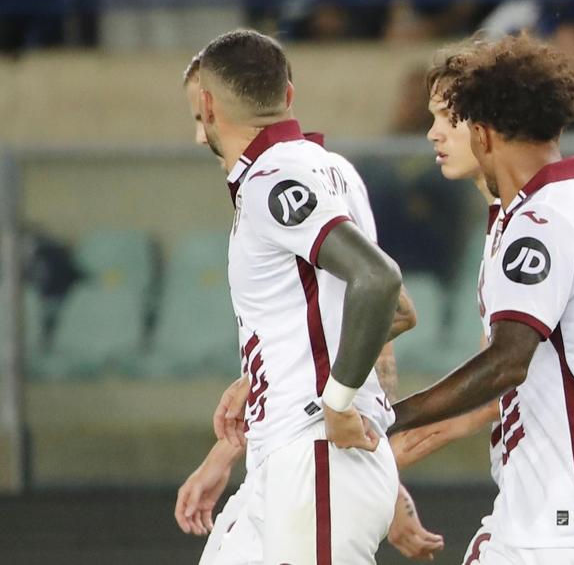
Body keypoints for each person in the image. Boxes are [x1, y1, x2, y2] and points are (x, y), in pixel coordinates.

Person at [168, 30, 441, 563]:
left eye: (197, 118)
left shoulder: (273, 179)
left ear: (207, 105)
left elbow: (378, 282)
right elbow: (391, 310)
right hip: (290, 457)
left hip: (317, 454)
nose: (200, 135)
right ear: (287, 96)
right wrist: (267, 369)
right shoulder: (332, 169)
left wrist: (337, 403)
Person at [388, 35, 574, 564]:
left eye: (451, 117)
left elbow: (507, 362)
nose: (434, 133)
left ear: (484, 133)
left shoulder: (539, 224)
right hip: (536, 513)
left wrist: (387, 418)